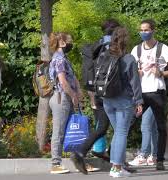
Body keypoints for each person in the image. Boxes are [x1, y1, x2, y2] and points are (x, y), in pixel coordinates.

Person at [71, 19, 120, 174]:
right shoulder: (111, 47)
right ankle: (81, 153)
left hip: (97, 91)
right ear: (116, 30)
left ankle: (114, 158)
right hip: (109, 93)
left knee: (105, 126)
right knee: (118, 127)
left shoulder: (96, 45)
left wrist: (92, 95)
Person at [131, 19, 168, 170]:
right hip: (141, 93)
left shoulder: (163, 48)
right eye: (141, 30)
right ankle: (118, 157)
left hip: (157, 92)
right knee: (129, 122)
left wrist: (162, 73)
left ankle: (159, 160)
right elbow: (129, 70)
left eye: (146, 30)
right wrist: (136, 72)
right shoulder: (136, 50)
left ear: (153, 31)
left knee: (160, 126)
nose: (143, 33)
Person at [102, 26, 143, 178]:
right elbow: (135, 83)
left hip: (107, 100)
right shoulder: (129, 58)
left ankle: (117, 166)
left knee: (118, 133)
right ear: (126, 41)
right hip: (123, 101)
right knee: (121, 133)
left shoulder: (105, 55)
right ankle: (116, 168)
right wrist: (139, 101)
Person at [48, 32, 83, 174]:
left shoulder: (63, 58)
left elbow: (72, 78)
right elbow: (62, 81)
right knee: (59, 131)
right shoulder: (59, 59)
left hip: (64, 97)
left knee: (71, 130)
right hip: (61, 98)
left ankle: (77, 162)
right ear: (61, 42)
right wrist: (74, 95)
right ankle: (55, 164)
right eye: (70, 40)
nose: (71, 43)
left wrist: (78, 90)